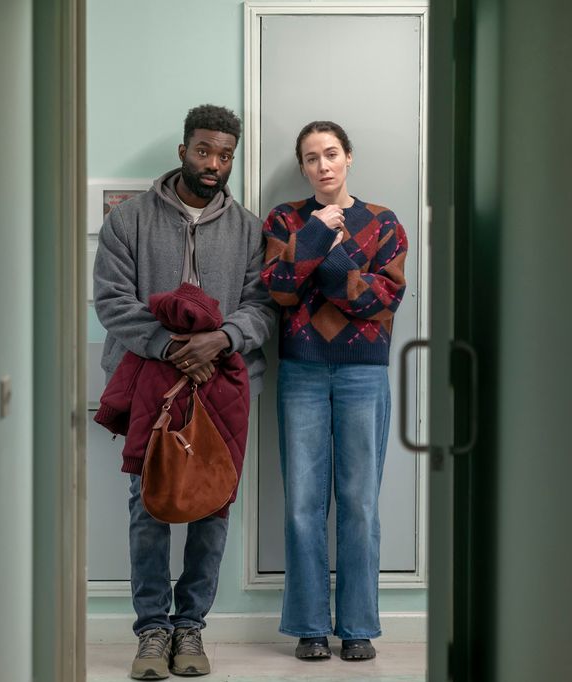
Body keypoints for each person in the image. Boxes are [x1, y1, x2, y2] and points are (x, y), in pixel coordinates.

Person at [93, 104, 277, 680]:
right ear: (182, 150)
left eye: (225, 155)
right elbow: (111, 302)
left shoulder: (250, 228)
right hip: (149, 378)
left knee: (213, 505)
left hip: (221, 383)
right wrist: (172, 347)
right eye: (204, 151)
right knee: (146, 505)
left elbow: (263, 307)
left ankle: (190, 626)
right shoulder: (130, 221)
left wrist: (220, 339)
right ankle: (152, 631)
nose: (214, 164)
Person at [260, 121, 408, 662]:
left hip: (363, 375)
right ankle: (309, 627)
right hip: (300, 371)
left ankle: (358, 627)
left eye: (331, 154)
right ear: (302, 167)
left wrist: (326, 257)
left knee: (360, 504)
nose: (322, 165)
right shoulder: (285, 220)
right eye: (311, 158)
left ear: (349, 158)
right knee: (302, 503)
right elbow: (277, 290)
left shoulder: (385, 222)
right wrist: (319, 235)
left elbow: (380, 302)